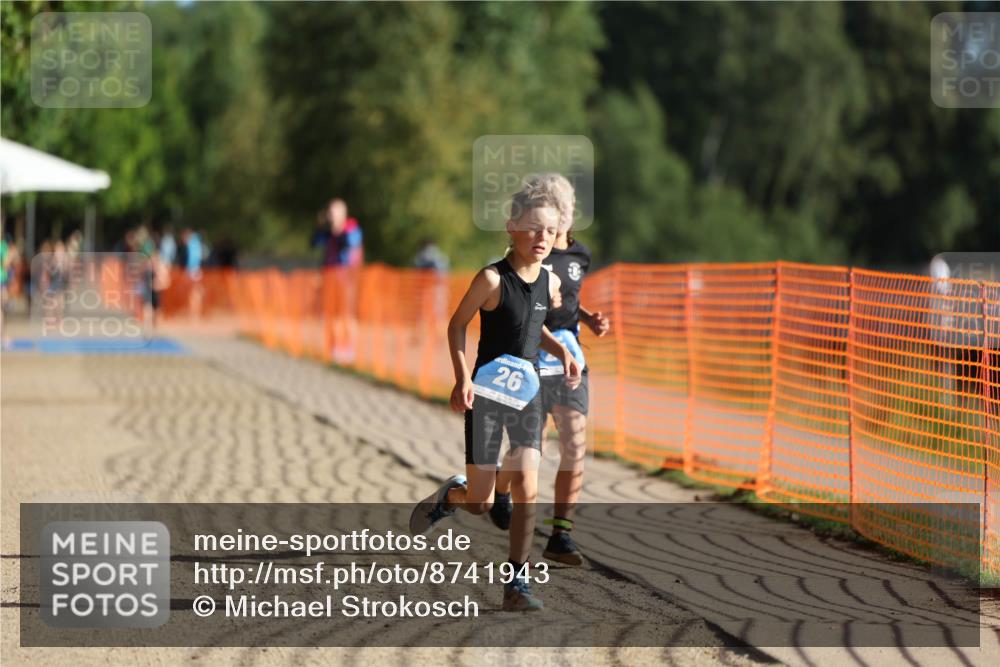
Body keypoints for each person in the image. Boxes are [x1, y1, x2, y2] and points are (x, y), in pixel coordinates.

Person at [409, 176, 582, 612]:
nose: (542, 238)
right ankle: (453, 495)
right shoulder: (491, 279)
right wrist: (462, 378)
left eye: (550, 230)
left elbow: (534, 327)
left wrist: (561, 350)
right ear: (512, 227)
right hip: (486, 395)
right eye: (534, 228)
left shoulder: (549, 281)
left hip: (528, 396)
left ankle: (516, 582)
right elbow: (457, 324)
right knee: (481, 502)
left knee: (527, 482)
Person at [491, 173, 609, 566]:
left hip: (571, 362)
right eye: (559, 207)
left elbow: (569, 300)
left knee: (575, 443)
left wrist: (588, 318)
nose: (566, 214)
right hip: (531, 361)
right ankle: (501, 488)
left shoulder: (580, 255)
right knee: (530, 450)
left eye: (569, 207)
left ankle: (561, 534)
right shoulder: (531, 252)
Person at [312, 198, 363, 268]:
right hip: (329, 271)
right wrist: (320, 227)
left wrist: (337, 233)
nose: (330, 218)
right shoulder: (327, 233)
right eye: (329, 214)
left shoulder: (352, 230)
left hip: (347, 271)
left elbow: (352, 247)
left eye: (332, 215)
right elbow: (315, 244)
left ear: (342, 214)